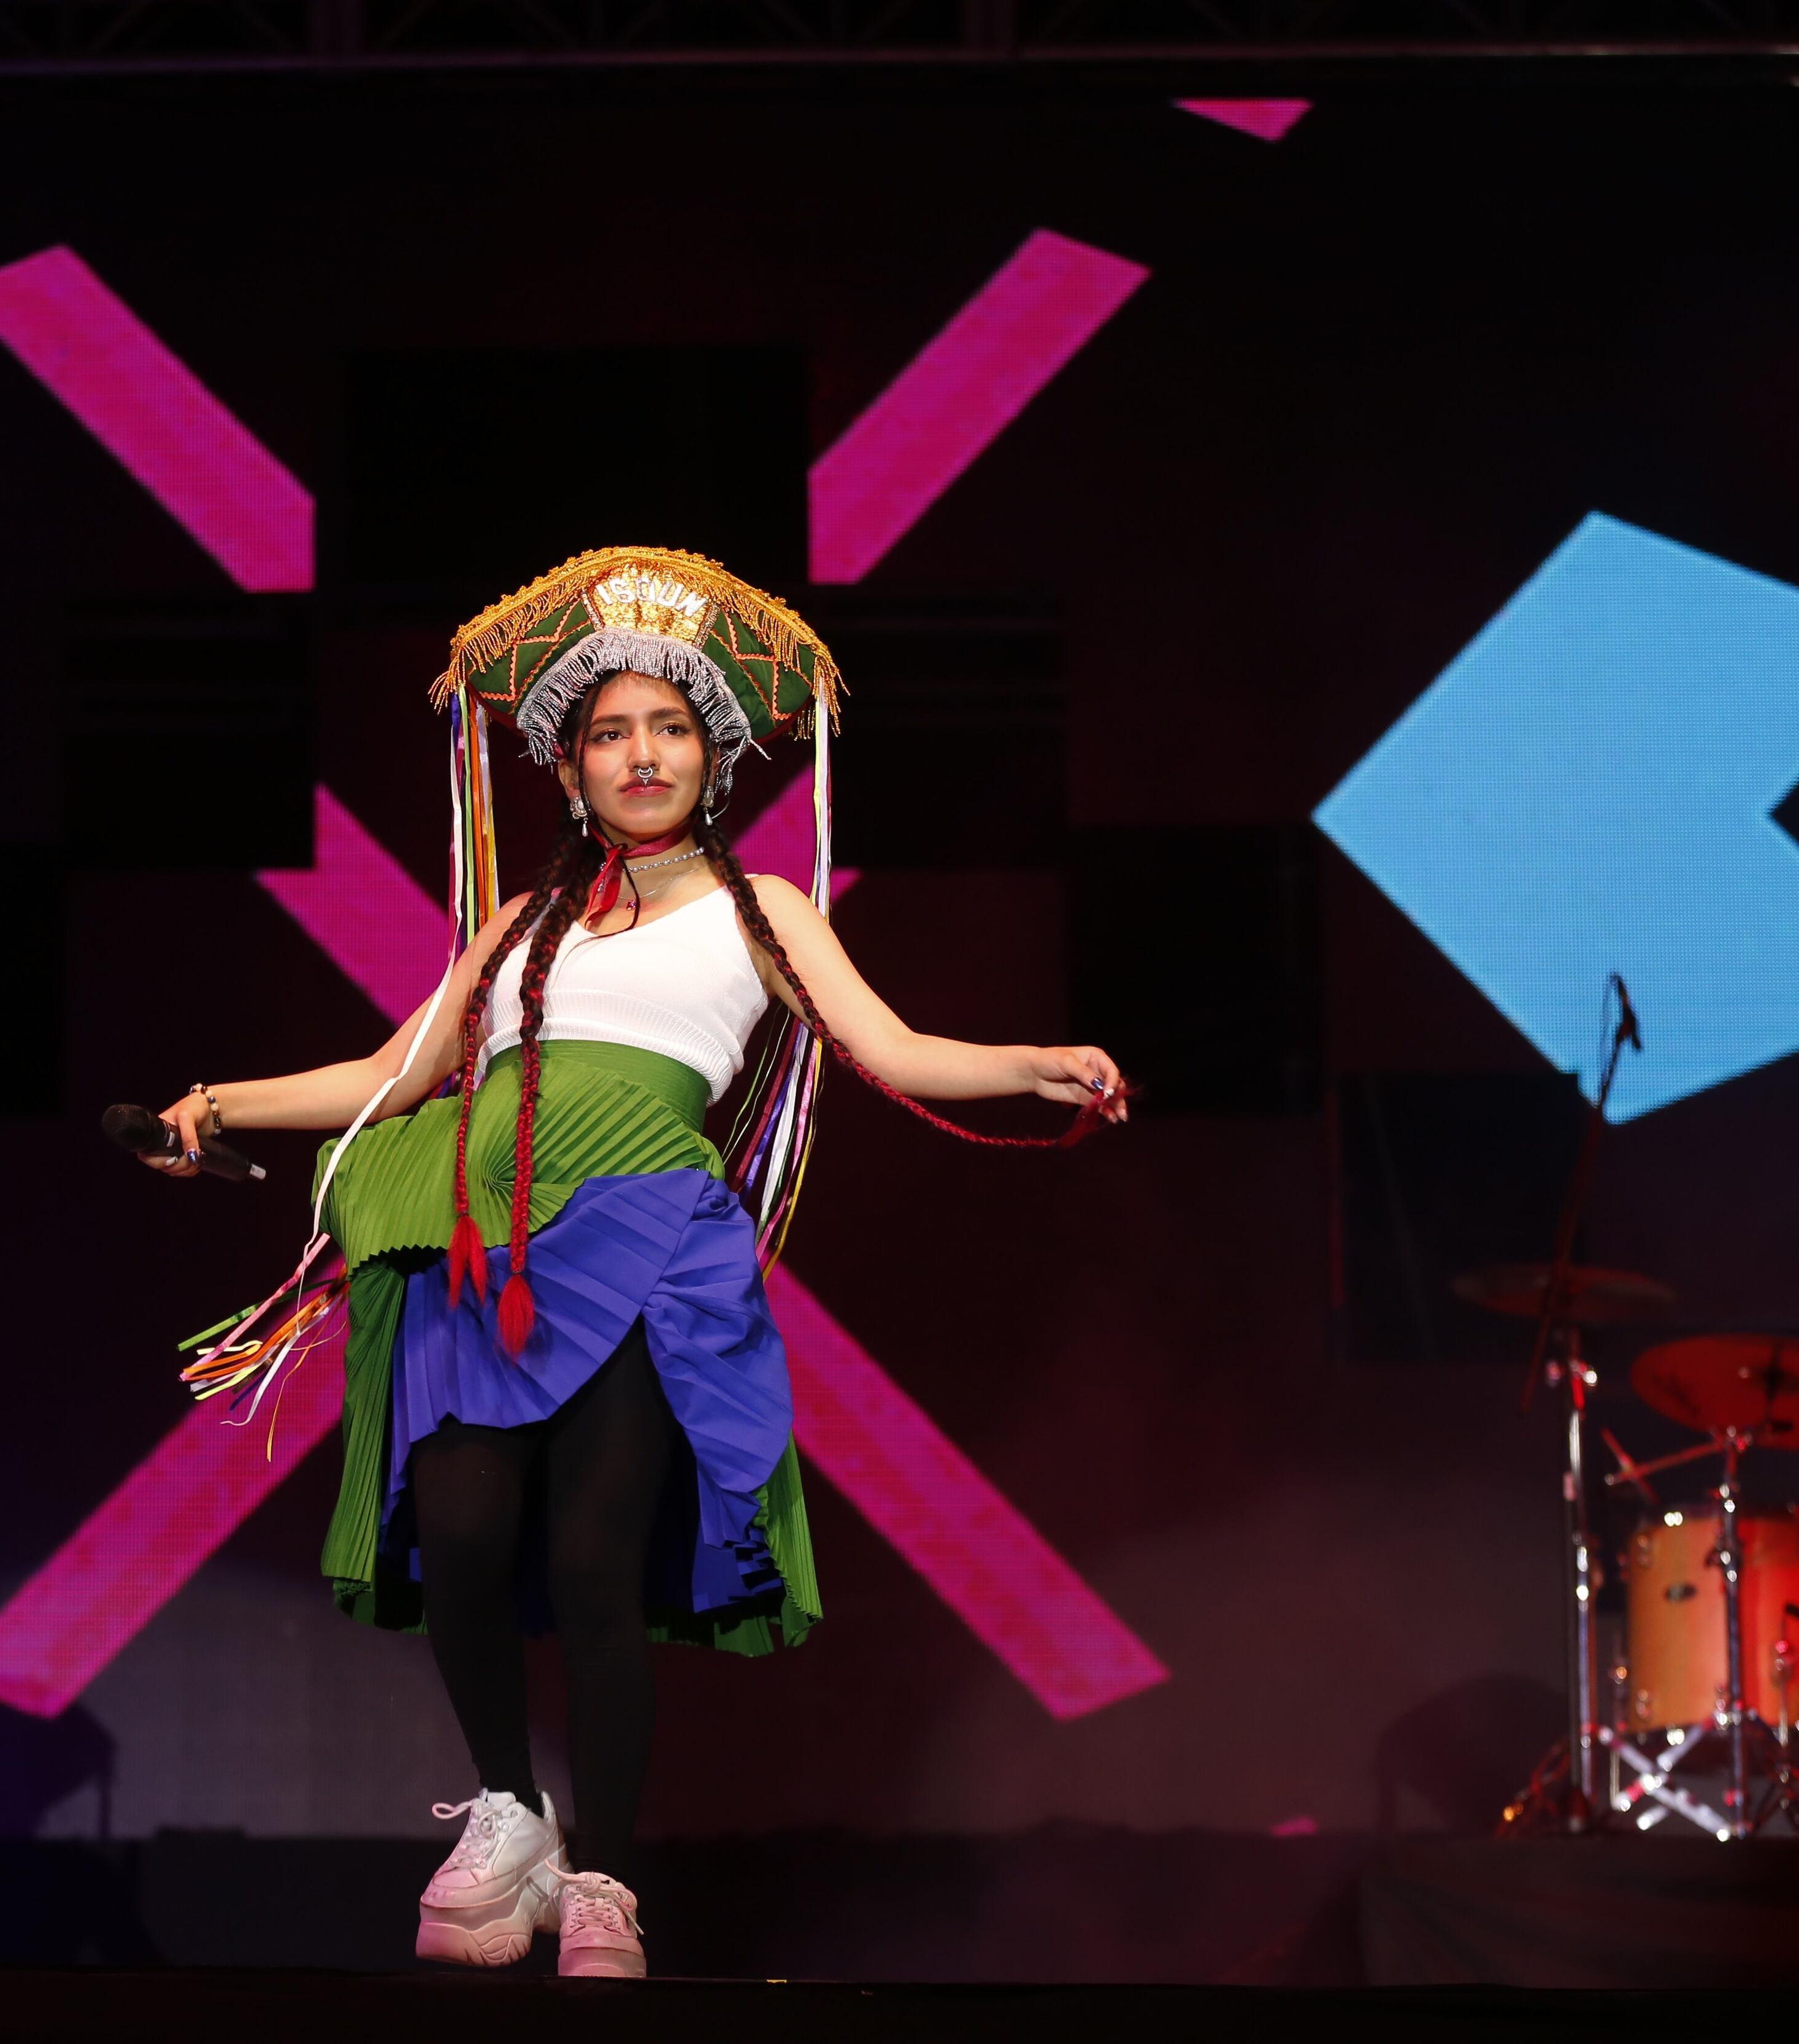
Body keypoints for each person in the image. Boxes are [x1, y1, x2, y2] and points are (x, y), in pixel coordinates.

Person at [139, 548, 1124, 1977]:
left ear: (710, 754)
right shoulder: (522, 927)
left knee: (597, 1563)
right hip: (478, 1247)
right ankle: (509, 1812)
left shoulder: (762, 908)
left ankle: (605, 1882)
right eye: (609, 730)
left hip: (643, 1246)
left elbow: (891, 1047)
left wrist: (1029, 1061)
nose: (640, 752)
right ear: (570, 764)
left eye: (667, 726)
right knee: (464, 1533)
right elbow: (389, 1072)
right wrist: (217, 1101)